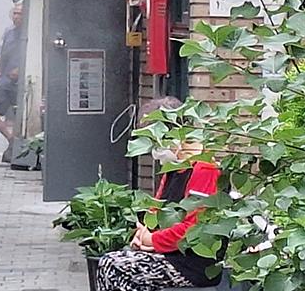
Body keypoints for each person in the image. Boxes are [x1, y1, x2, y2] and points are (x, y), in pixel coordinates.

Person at [94, 97, 223, 291]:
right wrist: (142, 235)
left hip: (193, 265)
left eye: (155, 142)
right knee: (109, 264)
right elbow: (156, 212)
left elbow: (194, 229)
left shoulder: (205, 169)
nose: (154, 152)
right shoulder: (173, 168)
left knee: (115, 267)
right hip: (170, 255)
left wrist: (152, 240)